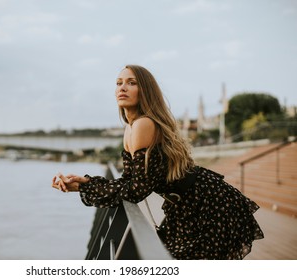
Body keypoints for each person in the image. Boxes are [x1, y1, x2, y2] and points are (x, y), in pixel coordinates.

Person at [51, 64, 264, 260]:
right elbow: (129, 180)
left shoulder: (144, 124)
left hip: (206, 202)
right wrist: (84, 184)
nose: (122, 88)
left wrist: (88, 187)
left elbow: (137, 190)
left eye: (131, 83)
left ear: (145, 91)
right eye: (118, 83)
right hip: (185, 206)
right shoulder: (131, 128)